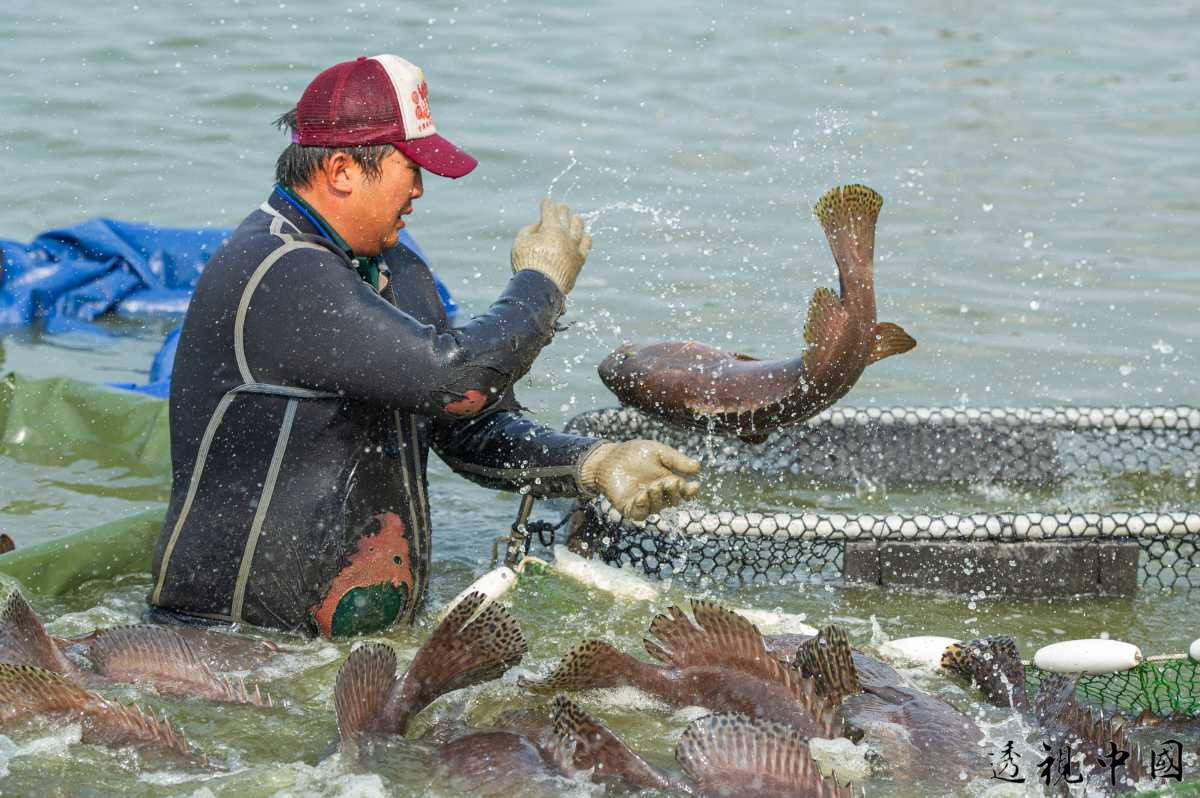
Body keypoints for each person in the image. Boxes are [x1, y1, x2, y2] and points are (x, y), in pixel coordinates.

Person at [148, 54, 701, 637]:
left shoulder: (396, 268)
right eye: (409, 167)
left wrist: (592, 462)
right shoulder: (278, 269)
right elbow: (455, 378)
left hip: (343, 652)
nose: (419, 188)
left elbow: (466, 423)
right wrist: (540, 285)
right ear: (341, 169)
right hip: (227, 642)